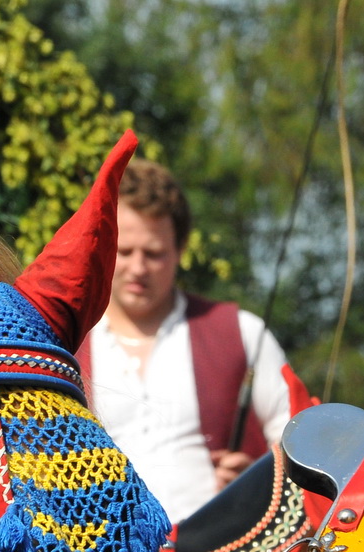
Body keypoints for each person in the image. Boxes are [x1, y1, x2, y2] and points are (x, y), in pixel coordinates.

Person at [79, 160, 293, 523]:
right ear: (103, 246)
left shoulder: (242, 333)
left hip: (225, 551)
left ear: (179, 249)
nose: (138, 268)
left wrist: (259, 480)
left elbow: (299, 443)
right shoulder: (64, 347)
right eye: (125, 251)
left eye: (154, 254)